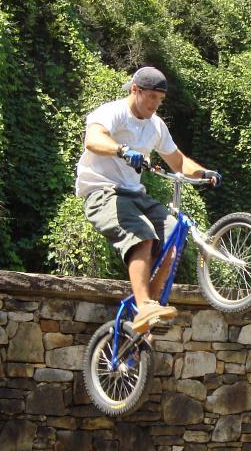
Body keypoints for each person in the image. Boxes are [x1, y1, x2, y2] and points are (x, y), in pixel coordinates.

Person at [75, 66, 221, 333]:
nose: (155, 104)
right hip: (101, 192)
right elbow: (94, 139)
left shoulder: (156, 126)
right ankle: (144, 306)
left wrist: (204, 173)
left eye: (159, 99)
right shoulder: (114, 112)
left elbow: (177, 161)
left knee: (175, 235)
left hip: (134, 194)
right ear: (135, 90)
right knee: (143, 234)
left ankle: (149, 308)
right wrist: (121, 150)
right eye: (150, 97)